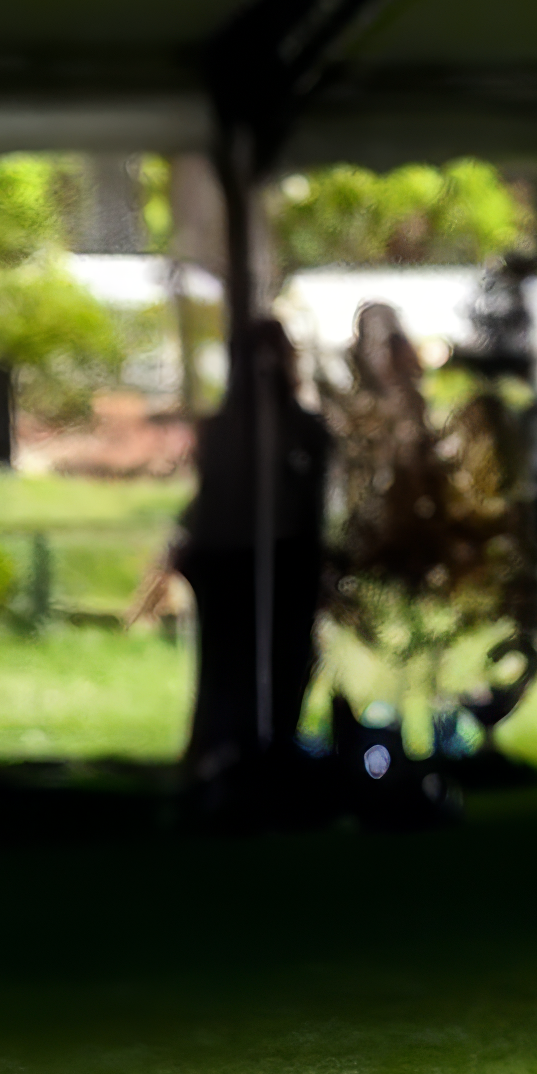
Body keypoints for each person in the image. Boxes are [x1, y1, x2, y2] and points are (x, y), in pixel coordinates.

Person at [175, 319, 334, 784]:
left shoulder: (303, 430)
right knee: (229, 663)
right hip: (232, 559)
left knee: (284, 659)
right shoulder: (227, 430)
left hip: (282, 557)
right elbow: (216, 494)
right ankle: (225, 753)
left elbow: (312, 501)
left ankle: (269, 747)